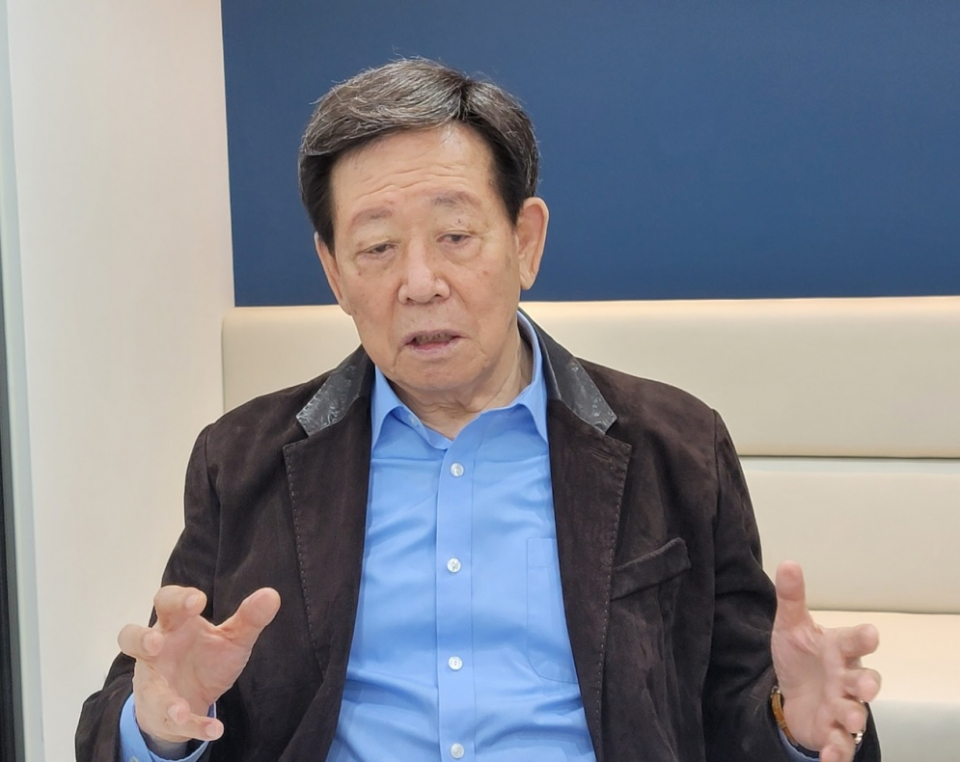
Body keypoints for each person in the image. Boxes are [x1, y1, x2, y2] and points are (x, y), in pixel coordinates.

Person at [77, 59, 881, 762]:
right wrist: (160, 729)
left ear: (526, 241)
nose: (420, 283)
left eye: (456, 235)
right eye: (377, 247)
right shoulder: (243, 460)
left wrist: (797, 726)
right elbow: (150, 697)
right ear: (334, 272)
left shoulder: (676, 446)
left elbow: (745, 705)